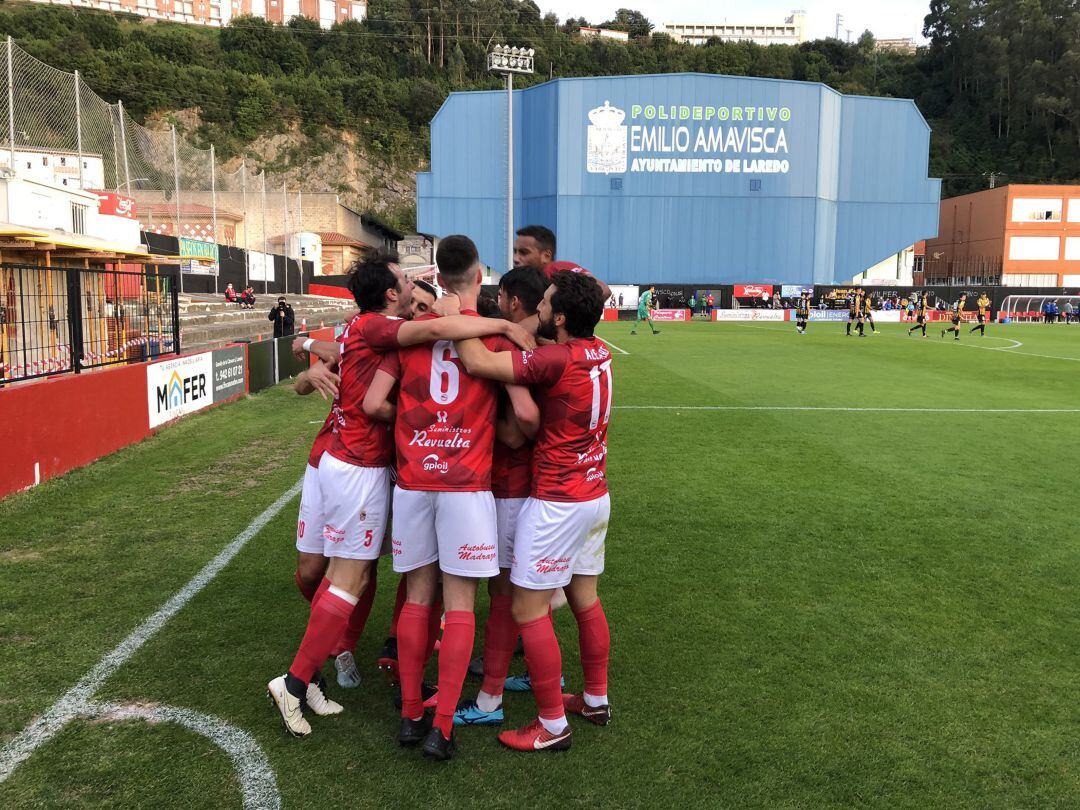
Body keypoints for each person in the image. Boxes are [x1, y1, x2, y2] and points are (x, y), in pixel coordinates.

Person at [267, 252, 535, 740]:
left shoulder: (363, 328)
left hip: (370, 467)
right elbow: (433, 340)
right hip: (373, 468)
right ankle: (298, 679)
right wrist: (503, 326)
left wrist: (306, 354)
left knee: (383, 582)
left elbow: (328, 355)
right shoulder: (385, 330)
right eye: (406, 280)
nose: (413, 284)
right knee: (360, 580)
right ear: (392, 294)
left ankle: (380, 694)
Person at [455, 269, 613, 753]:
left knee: (526, 607)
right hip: (595, 494)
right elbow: (594, 297)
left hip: (558, 502)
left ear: (561, 316)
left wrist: (462, 316)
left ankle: (550, 724)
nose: (539, 308)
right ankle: (595, 699)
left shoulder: (553, 361)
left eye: (546, 303)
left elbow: (478, 363)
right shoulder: (600, 349)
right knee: (584, 598)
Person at [453, 266, 547, 727]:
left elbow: (521, 424)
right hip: (534, 487)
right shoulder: (553, 346)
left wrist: (501, 433)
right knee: (518, 589)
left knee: (507, 591)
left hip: (511, 486)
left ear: (511, 301)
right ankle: (530, 673)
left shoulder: (513, 346)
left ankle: (490, 700)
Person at [514, 224, 611, 300]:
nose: (515, 259)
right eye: (515, 252)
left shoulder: (559, 269)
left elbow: (603, 290)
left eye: (524, 252)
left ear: (546, 256)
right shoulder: (520, 281)